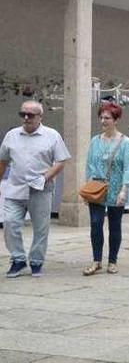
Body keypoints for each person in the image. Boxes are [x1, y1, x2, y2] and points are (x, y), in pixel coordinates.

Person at [0, 100, 70, 278]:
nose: (25, 118)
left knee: (40, 228)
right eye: (22, 114)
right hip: (15, 188)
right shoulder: (12, 135)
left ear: (40, 117)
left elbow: (61, 160)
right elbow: (3, 160)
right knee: (10, 223)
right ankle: (18, 259)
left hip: (40, 189)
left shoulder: (51, 135)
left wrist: (45, 177)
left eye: (30, 115)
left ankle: (37, 261)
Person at [82, 102, 129, 276]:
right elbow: (89, 166)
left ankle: (112, 261)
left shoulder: (125, 142)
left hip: (116, 189)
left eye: (108, 118)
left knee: (115, 225)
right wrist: (87, 189)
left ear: (116, 120)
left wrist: (124, 190)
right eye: (102, 117)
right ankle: (96, 260)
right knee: (95, 224)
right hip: (97, 188)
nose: (103, 121)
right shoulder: (95, 141)